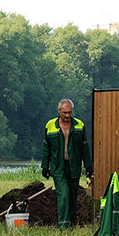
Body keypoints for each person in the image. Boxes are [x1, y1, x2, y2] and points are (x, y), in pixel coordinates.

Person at [41, 98, 93, 229]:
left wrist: (88, 166)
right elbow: (46, 148)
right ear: (59, 111)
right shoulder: (50, 125)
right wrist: (45, 167)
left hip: (74, 167)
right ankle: (63, 226)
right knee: (63, 195)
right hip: (58, 167)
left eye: (69, 112)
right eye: (64, 113)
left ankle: (70, 222)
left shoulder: (79, 125)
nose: (67, 115)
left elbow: (85, 148)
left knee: (72, 196)